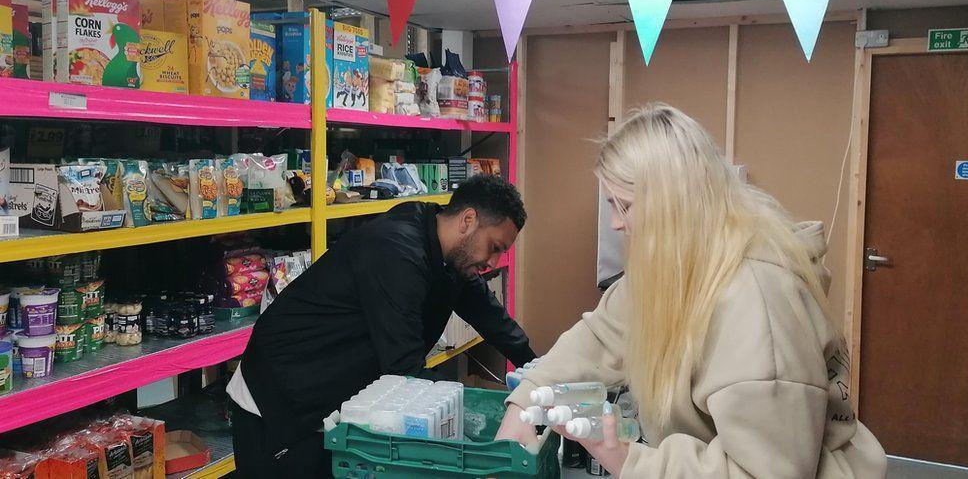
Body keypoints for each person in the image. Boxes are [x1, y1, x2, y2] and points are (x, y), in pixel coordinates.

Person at [496, 104, 887, 478]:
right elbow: (600, 336)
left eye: (625, 205)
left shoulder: (758, 304)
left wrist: (628, 460)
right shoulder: (679, 262)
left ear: (673, 204)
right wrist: (528, 396)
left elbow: (768, 472)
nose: (616, 223)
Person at [230, 174, 536, 477]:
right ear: (468, 220)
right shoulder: (396, 250)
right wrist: (462, 421)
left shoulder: (447, 253)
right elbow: (403, 367)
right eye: (494, 247)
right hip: (280, 395)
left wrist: (537, 376)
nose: (493, 262)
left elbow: (491, 317)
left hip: (334, 390)